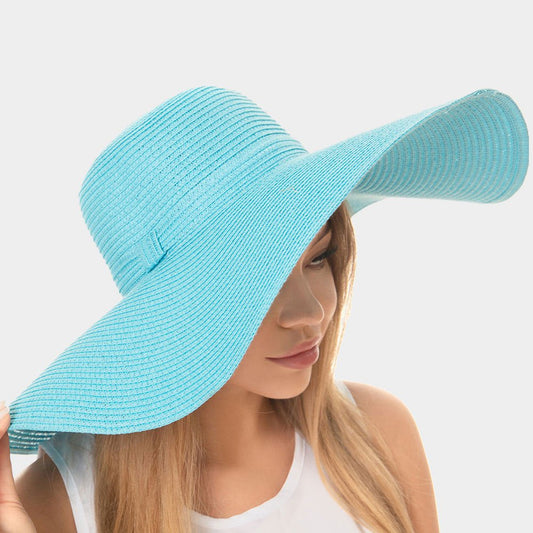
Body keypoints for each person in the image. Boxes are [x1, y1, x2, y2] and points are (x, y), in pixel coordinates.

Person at [2, 85, 529, 533]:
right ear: (167, 313)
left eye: (318, 258)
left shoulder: (378, 436)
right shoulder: (66, 499)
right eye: (256, 281)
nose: (309, 312)